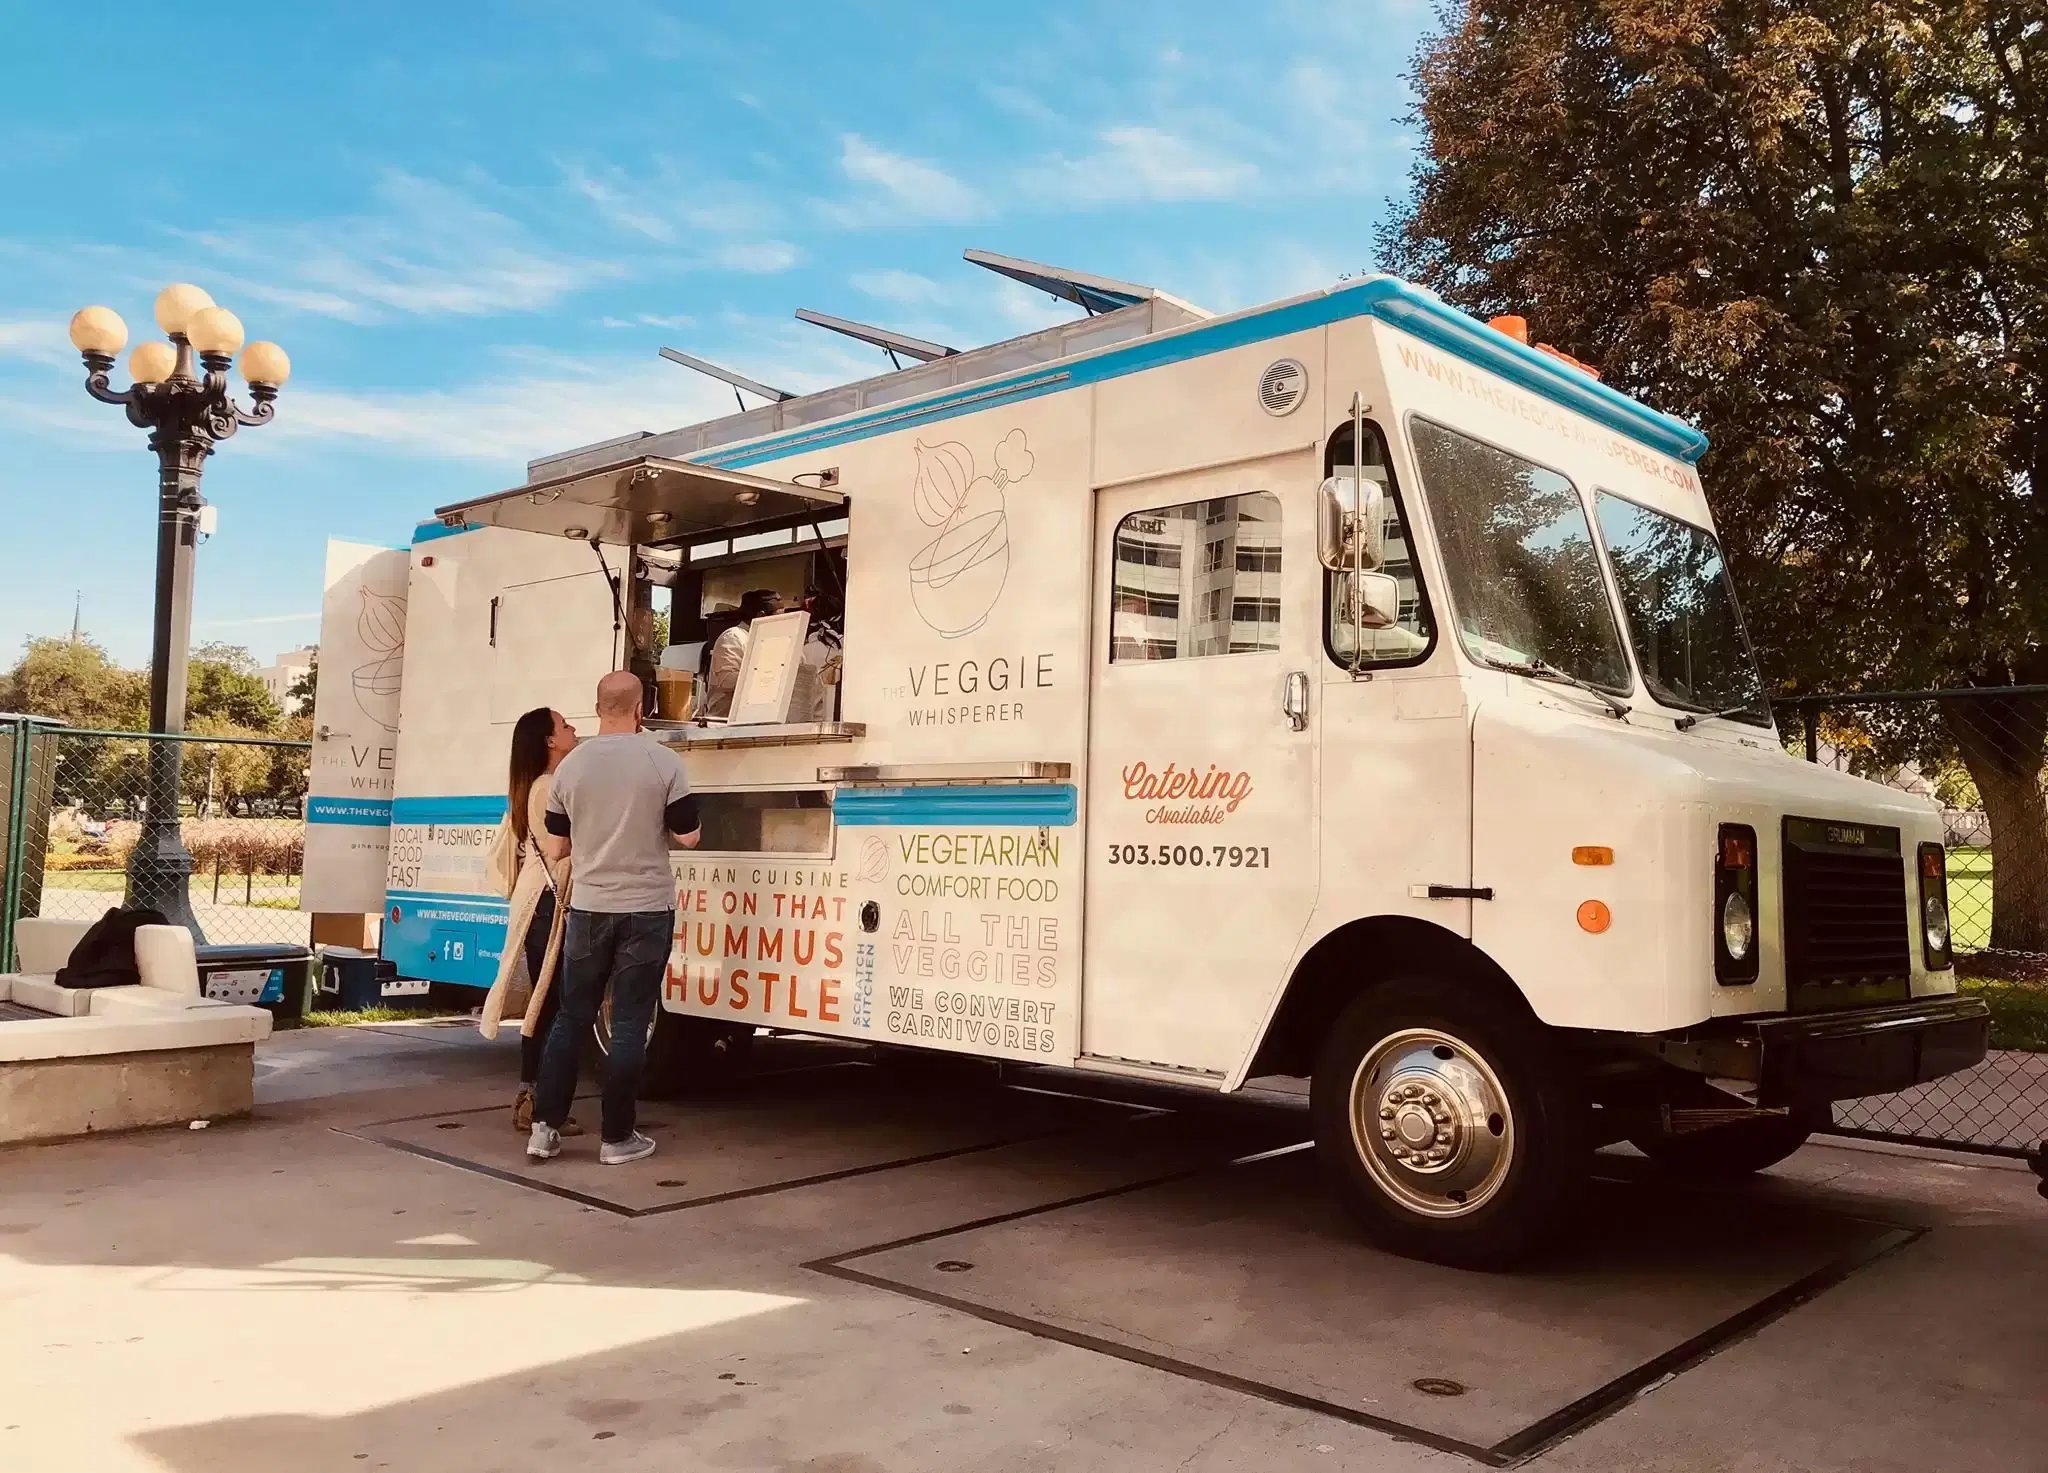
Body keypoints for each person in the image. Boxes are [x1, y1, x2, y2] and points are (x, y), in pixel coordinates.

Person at [527, 670, 702, 1166]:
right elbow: (689, 837)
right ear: (641, 707)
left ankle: (544, 1129)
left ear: (598, 706)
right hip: (646, 908)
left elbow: (558, 846)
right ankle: (617, 1138)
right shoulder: (664, 762)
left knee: (570, 1018)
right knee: (628, 1023)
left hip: (589, 907)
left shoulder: (570, 767)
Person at [478, 707, 582, 1135]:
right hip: (548, 902)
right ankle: (536, 1101)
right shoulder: (547, 787)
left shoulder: (537, 784)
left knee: (549, 1000)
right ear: (549, 741)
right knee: (550, 1002)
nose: (573, 728)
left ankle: (532, 1097)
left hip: (541, 899)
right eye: (564, 725)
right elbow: (561, 847)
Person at [700, 589, 783, 720]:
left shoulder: (767, 641)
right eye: (779, 617)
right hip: (725, 725)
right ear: (761, 616)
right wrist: (770, 675)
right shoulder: (734, 637)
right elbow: (727, 680)